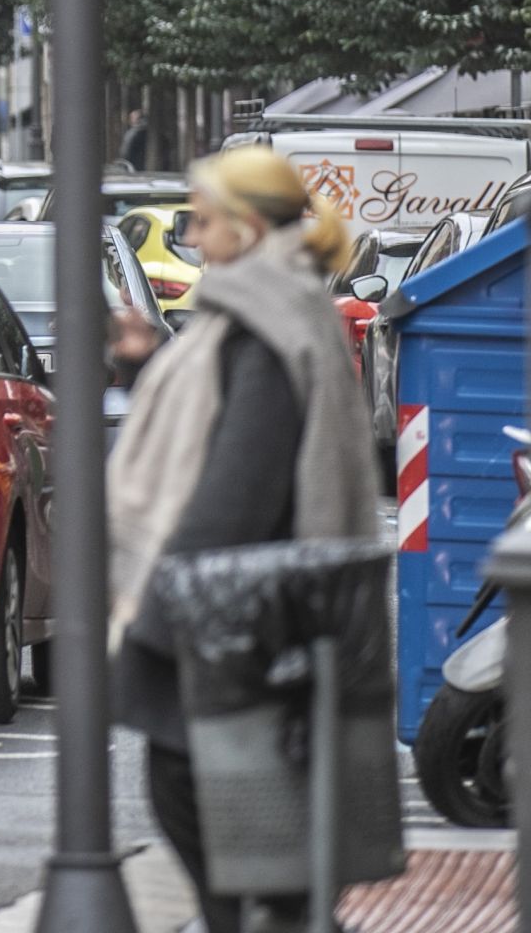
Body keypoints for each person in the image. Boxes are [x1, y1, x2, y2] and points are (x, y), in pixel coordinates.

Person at [107, 146, 380, 933]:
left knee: (214, 813)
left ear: (248, 225)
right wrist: (146, 363)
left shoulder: (266, 320)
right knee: (238, 822)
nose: (192, 233)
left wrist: (156, 611)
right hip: (250, 607)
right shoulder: (266, 307)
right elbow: (225, 426)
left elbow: (242, 483)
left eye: (202, 218)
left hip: (236, 616)